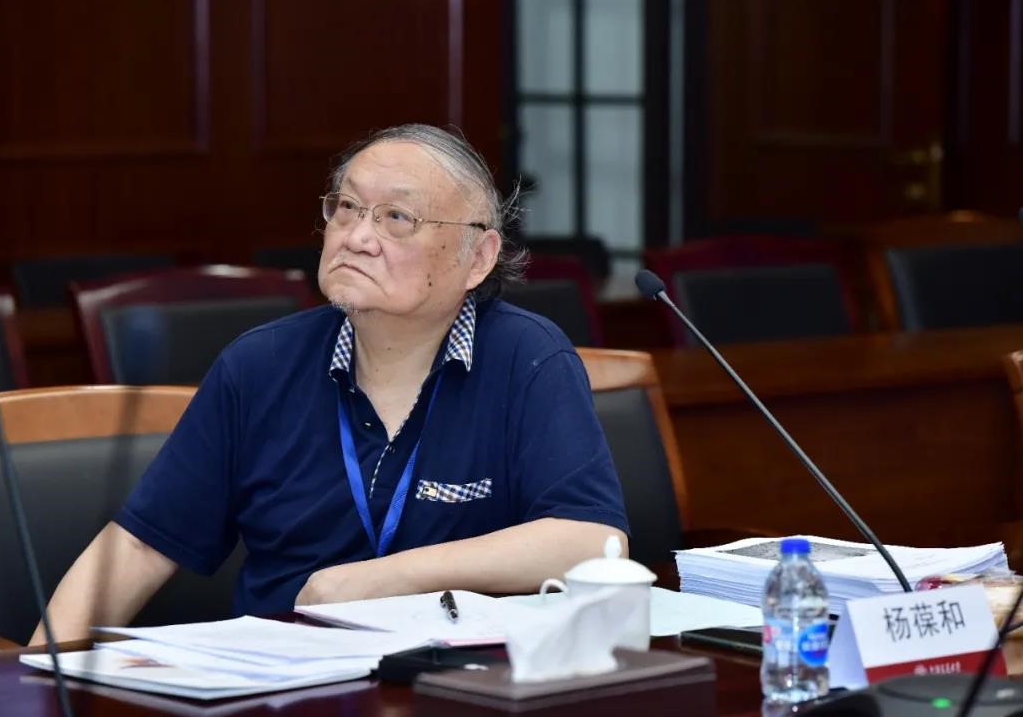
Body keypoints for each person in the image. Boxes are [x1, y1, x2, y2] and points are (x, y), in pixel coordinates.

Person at [31, 124, 629, 644]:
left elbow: (591, 541)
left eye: (397, 217)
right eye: (346, 208)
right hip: (282, 683)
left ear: (478, 258)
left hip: (459, 680)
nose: (357, 236)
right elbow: (138, 546)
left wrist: (377, 581)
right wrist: (34, 680)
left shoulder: (527, 357)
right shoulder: (260, 365)